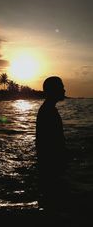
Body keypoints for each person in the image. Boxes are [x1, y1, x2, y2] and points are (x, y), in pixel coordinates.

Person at [36, 76, 68, 210]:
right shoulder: (48, 112)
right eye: (61, 87)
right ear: (54, 90)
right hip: (51, 166)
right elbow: (49, 144)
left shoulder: (48, 110)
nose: (64, 90)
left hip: (48, 165)